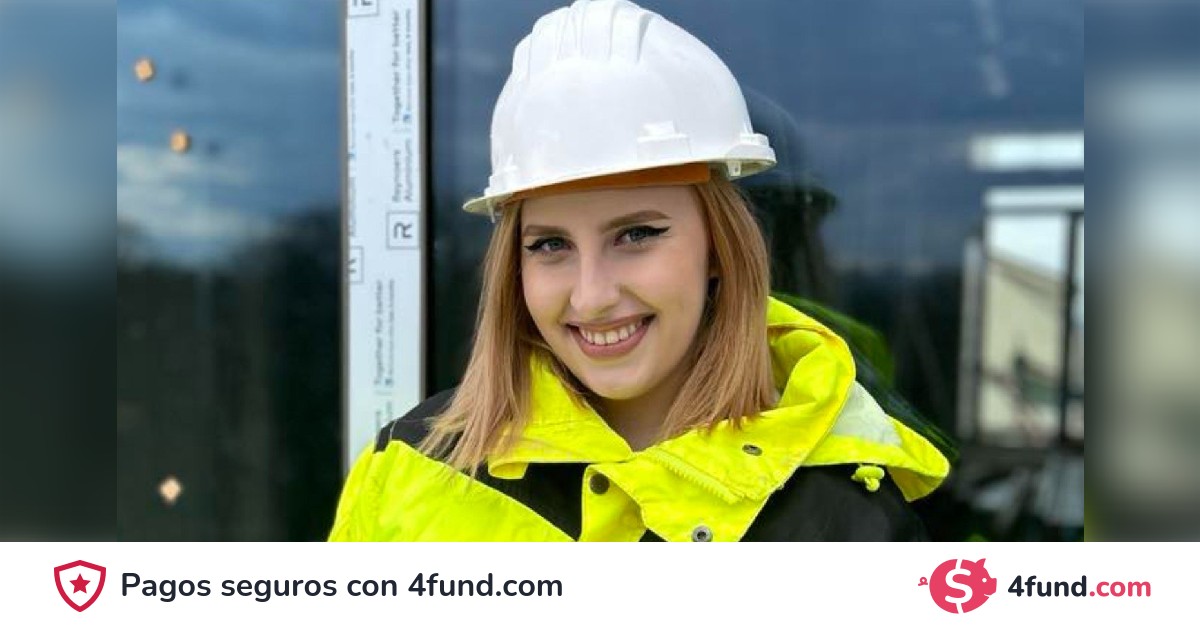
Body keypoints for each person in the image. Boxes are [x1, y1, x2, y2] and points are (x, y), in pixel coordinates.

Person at [329, 0, 950, 542]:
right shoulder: (411, 467)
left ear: (720, 248)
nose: (592, 296)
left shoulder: (847, 521)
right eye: (550, 245)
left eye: (637, 235)